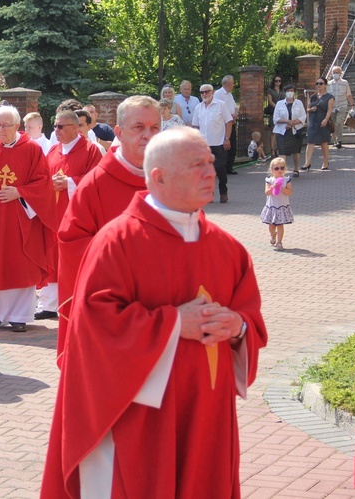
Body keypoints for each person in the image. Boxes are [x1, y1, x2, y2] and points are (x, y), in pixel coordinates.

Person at [41, 126, 267, 498]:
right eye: (197, 165)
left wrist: (238, 326)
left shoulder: (229, 250)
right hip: (139, 418)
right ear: (158, 177)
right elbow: (94, 327)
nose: (211, 172)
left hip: (207, 414)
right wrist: (176, 323)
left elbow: (251, 318)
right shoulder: (117, 242)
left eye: (211, 162)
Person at [56, 95, 161, 358]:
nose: (147, 135)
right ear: (119, 132)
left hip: (163, 308)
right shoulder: (96, 184)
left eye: (155, 128)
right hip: (111, 306)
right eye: (138, 127)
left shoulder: (169, 181)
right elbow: (71, 242)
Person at [0, 105, 57, 333]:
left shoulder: (31, 149)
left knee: (21, 264)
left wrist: (20, 192)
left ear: (17, 127)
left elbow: (43, 182)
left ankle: (20, 316)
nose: (0, 129)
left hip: (21, 218)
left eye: (5, 125)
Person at [36, 110, 102, 321]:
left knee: (71, 258)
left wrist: (70, 183)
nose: (56, 130)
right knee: (51, 256)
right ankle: (48, 303)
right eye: (55, 126)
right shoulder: (54, 150)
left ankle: (74, 300)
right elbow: (43, 177)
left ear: (75, 128)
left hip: (76, 215)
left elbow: (98, 180)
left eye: (61, 127)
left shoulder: (91, 150)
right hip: (53, 213)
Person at [192, 83, 233, 203]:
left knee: (220, 168)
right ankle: (209, 194)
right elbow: (195, 126)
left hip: (219, 143)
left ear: (212, 92)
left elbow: (229, 122)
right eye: (202, 92)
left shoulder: (221, 105)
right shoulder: (198, 107)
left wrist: (227, 138)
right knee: (205, 171)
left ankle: (223, 191)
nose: (205, 94)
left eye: (207, 91)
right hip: (204, 145)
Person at [272, 84, 306, 176]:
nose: (290, 93)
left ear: (294, 92)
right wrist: (287, 122)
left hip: (295, 130)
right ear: (285, 92)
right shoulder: (279, 104)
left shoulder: (299, 103)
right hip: (282, 131)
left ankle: (296, 169)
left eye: (292, 91)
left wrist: (293, 123)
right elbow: (275, 118)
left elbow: (303, 116)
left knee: (296, 151)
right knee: (282, 152)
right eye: (288, 91)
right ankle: (281, 172)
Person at [302, 77, 334, 171]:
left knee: (323, 142)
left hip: (323, 121)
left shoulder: (329, 97)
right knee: (310, 141)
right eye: (317, 83)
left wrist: (326, 119)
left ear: (325, 85)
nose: (318, 85)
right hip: (313, 121)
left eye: (321, 83)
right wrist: (311, 109)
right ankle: (307, 163)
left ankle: (325, 162)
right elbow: (307, 109)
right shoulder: (312, 97)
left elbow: (329, 110)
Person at [261, 157, 294, 251]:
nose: (279, 170)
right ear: (272, 170)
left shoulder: (286, 180)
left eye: (282, 168)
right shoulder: (269, 180)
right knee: (271, 225)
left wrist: (282, 188)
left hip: (282, 207)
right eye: (276, 168)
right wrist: (272, 187)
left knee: (280, 225)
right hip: (272, 207)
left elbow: (290, 192)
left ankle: (279, 242)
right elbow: (267, 192)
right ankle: (273, 234)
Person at [214, 75, 238, 174]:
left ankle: (229, 166)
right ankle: (222, 167)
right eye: (232, 83)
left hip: (232, 121)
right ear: (226, 84)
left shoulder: (230, 95)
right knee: (224, 145)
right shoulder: (218, 94)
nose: (233, 85)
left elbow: (234, 106)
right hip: (224, 123)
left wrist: (236, 113)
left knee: (233, 145)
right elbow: (217, 109)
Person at [328, 66, 355, 149]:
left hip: (342, 105)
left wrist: (352, 104)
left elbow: (348, 94)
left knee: (339, 122)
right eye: (334, 72)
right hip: (332, 107)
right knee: (334, 124)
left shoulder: (345, 83)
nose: (335, 74)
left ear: (340, 73)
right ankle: (336, 140)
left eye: (337, 72)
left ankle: (339, 140)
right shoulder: (328, 84)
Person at [266, 75, 284, 156]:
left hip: (282, 112)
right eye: (276, 81)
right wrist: (277, 107)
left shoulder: (283, 90)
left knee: (281, 131)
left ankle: (279, 149)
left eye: (279, 81)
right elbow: (270, 101)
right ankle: (272, 149)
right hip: (274, 111)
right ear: (274, 81)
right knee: (273, 131)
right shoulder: (270, 90)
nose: (278, 82)